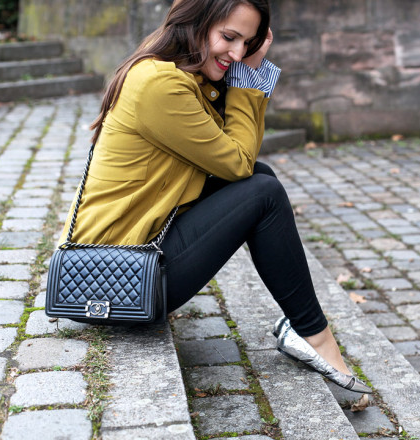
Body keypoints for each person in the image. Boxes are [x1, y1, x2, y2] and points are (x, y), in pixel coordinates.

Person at [59, 0, 370, 394]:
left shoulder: (178, 76)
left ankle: (304, 329)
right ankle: (316, 337)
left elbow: (243, 159)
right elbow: (237, 160)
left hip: (130, 262)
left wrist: (239, 72)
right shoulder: (161, 84)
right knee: (263, 190)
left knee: (262, 179)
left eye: (248, 43)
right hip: (112, 281)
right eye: (229, 37)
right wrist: (244, 79)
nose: (238, 54)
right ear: (196, 21)